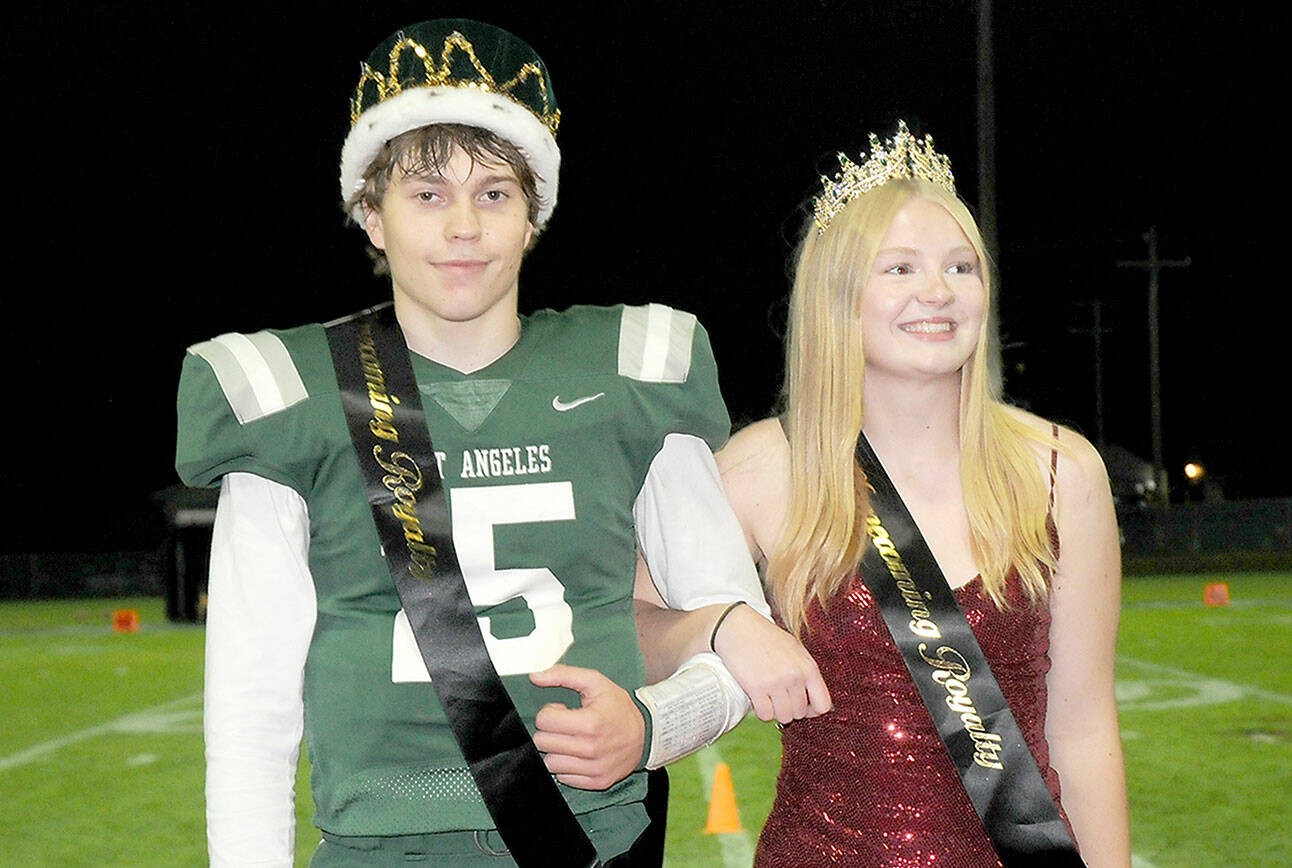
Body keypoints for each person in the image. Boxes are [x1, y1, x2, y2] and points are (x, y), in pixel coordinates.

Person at [175, 18, 826, 868]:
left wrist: (651, 726)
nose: (463, 226)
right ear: (372, 217)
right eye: (427, 193)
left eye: (494, 193)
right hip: (381, 846)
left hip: (595, 839)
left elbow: (736, 641)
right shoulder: (294, 393)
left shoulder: (628, 372)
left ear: (533, 217)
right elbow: (250, 702)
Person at [713, 123, 1131, 866]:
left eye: (961, 267)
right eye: (899, 268)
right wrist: (720, 625)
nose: (937, 292)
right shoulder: (760, 470)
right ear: (837, 294)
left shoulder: (1062, 471)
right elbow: (642, 630)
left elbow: (1085, 724)